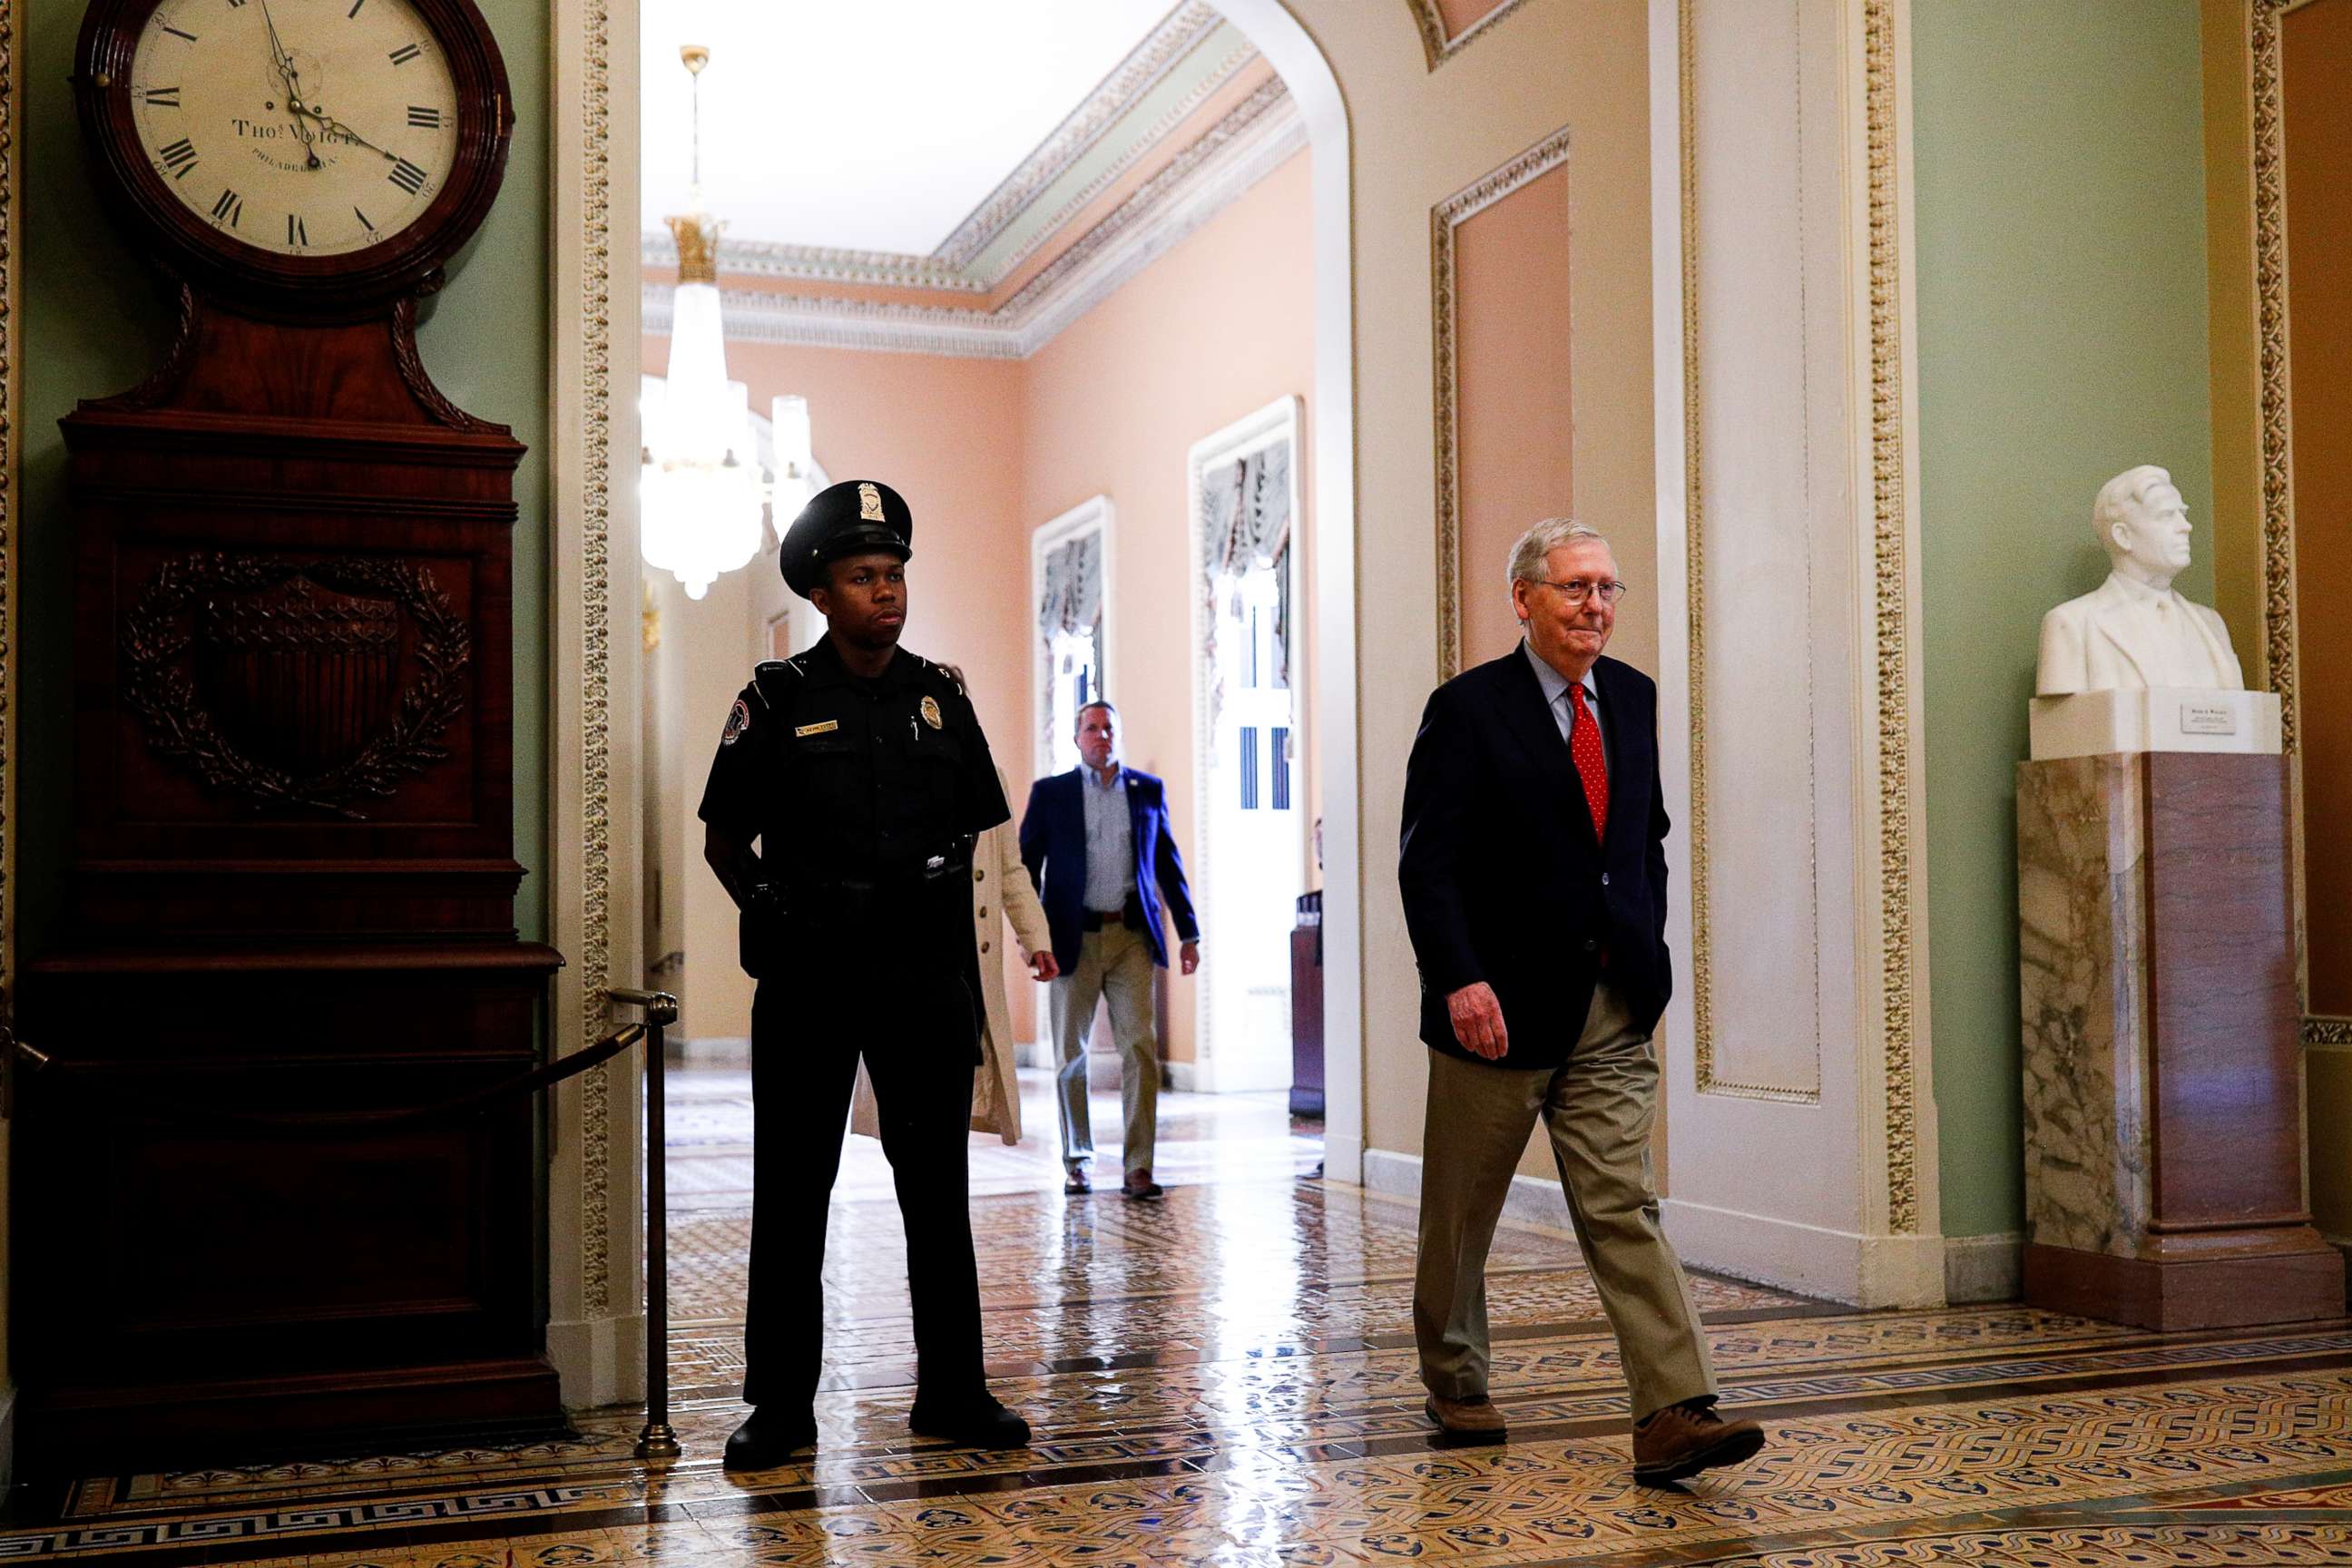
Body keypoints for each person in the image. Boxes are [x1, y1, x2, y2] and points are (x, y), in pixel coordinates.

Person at [1396, 516, 1765, 1485]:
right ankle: (1456, 1375)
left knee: (1622, 1204)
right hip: (1499, 1006)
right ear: (1523, 599)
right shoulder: (1468, 709)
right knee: (1462, 1214)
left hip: (1609, 1003)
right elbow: (1427, 864)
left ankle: (1674, 1407)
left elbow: (1643, 838)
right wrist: (1460, 978)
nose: (1595, 605)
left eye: (1607, 588)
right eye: (1574, 588)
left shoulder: (1633, 699)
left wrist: (1649, 959)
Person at [698, 478, 1033, 1470]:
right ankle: (782, 1408)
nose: (885, 592)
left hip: (922, 980)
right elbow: (724, 840)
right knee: (793, 1193)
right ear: (822, 591)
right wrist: (775, 913)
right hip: (810, 981)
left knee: (937, 1191)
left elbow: (976, 822)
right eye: (863, 577)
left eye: (893, 575)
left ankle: (955, 1392)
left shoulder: (944, 696)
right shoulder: (777, 698)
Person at [1017, 701, 1200, 1200]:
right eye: (1091, 728)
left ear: (1119, 735)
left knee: (1139, 1048)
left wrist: (1190, 933)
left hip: (1131, 937)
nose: (1101, 736)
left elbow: (1168, 863)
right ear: (1077, 738)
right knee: (1069, 1055)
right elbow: (1025, 869)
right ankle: (1077, 1162)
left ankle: (1138, 1166)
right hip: (1070, 938)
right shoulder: (1051, 794)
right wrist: (1031, 939)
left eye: (1109, 728)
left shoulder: (1146, 791)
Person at [850, 760, 1059, 1148]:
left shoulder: (989, 775)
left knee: (957, 1084)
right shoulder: (889, 762)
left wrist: (1036, 938)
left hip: (969, 960)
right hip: (907, 956)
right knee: (907, 1093)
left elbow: (1010, 869)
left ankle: (943, 1197)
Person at [2035, 464, 2243, 694]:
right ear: (2123, 536)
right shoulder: (2072, 624)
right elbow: (2062, 726)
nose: (2186, 526)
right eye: (2166, 516)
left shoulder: (2211, 624)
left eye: (2182, 514)